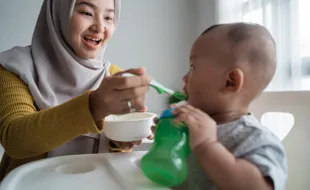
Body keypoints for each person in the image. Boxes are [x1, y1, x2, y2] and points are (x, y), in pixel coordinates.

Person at [0, 0, 153, 180]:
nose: (99, 27)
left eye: (108, 17)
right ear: (59, 13)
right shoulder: (14, 67)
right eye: (87, 13)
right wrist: (93, 106)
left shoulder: (114, 78)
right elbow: (16, 141)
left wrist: (121, 140)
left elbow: (112, 155)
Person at [170, 23, 288, 190]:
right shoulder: (194, 126)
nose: (184, 77)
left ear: (230, 81)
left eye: (193, 67)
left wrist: (207, 145)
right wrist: (168, 137)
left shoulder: (255, 139)